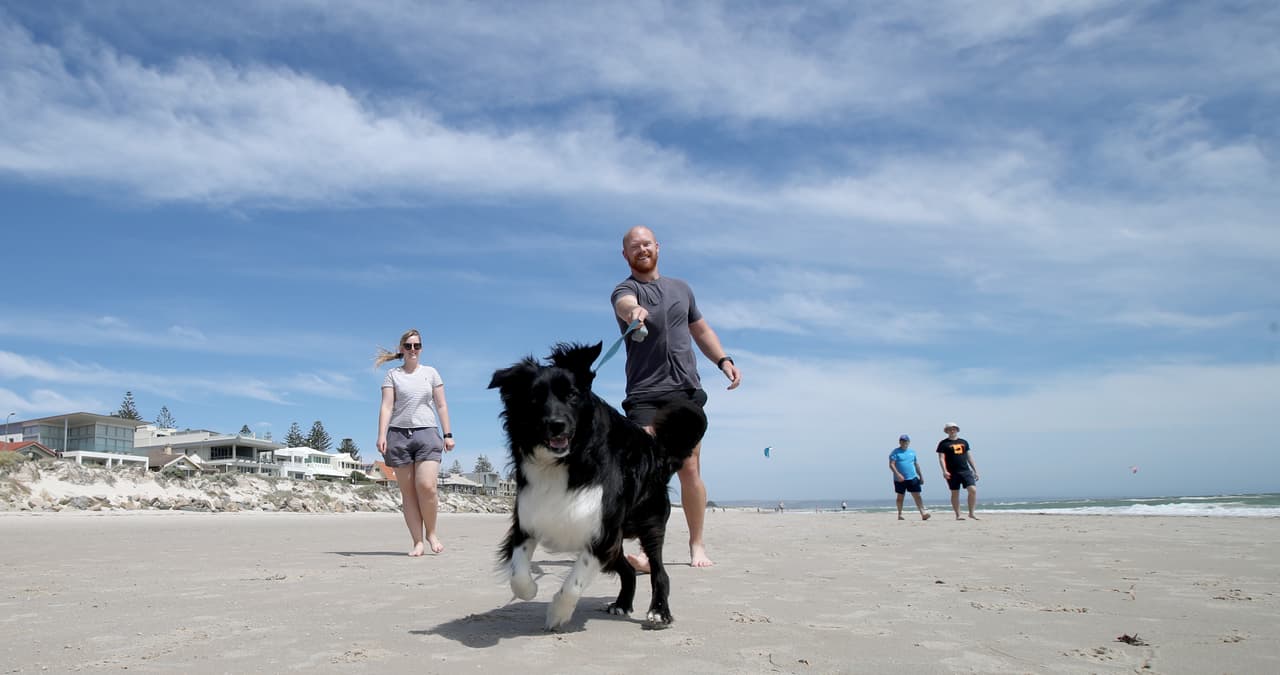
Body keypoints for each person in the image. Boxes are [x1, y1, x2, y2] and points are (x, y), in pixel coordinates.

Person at [612, 225, 742, 570]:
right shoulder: (626, 290)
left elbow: (701, 329)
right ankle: (646, 549)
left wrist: (723, 360)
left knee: (689, 467)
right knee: (646, 470)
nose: (641, 249)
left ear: (657, 247)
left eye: (646, 243)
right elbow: (625, 304)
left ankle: (696, 544)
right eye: (633, 246)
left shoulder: (682, 289)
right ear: (625, 255)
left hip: (683, 391)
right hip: (643, 394)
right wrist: (633, 312)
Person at [375, 328, 455, 556]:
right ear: (401, 349)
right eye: (408, 346)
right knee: (408, 493)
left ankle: (431, 533)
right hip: (398, 436)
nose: (412, 350)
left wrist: (448, 434)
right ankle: (417, 542)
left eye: (416, 346)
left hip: (427, 433)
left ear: (421, 349)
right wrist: (381, 435)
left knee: (427, 487)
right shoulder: (392, 375)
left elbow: (441, 405)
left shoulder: (431, 373)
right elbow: (387, 406)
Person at [936, 422, 979, 520]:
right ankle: (958, 515)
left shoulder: (964, 442)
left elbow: (969, 456)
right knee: (955, 493)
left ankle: (971, 513)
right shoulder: (943, 444)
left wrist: (975, 470)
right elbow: (941, 458)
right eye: (950, 429)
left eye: (954, 429)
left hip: (965, 470)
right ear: (946, 431)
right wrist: (944, 471)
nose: (952, 430)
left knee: (973, 490)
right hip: (952, 472)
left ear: (957, 430)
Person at [889, 434, 930, 520]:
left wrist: (921, 476)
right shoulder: (895, 452)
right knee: (900, 497)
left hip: (913, 477)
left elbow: (916, 464)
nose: (904, 442)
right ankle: (900, 514)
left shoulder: (912, 452)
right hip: (900, 479)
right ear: (900, 442)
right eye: (902, 441)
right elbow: (891, 465)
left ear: (908, 442)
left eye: (906, 441)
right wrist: (898, 474)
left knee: (917, 496)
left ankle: (923, 513)